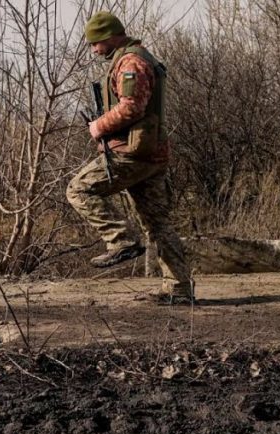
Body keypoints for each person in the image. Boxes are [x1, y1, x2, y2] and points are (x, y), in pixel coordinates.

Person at [66, 11, 195, 305]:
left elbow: (132, 108)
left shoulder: (131, 62)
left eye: (95, 43)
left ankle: (120, 239)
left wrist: (98, 126)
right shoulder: (136, 57)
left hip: (133, 153)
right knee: (158, 223)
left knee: (78, 189)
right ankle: (179, 289)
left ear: (109, 37)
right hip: (150, 153)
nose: (93, 50)